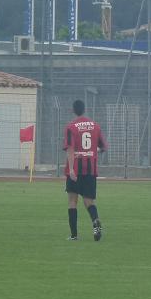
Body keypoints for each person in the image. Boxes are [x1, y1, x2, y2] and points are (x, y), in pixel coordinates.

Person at [64, 99, 108, 241]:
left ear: (73, 110)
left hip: (75, 169)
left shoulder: (71, 127)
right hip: (90, 169)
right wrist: (93, 151)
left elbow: (70, 149)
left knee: (72, 201)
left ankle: (74, 235)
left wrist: (71, 169)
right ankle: (95, 220)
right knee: (89, 201)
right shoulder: (95, 126)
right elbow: (104, 147)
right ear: (84, 110)